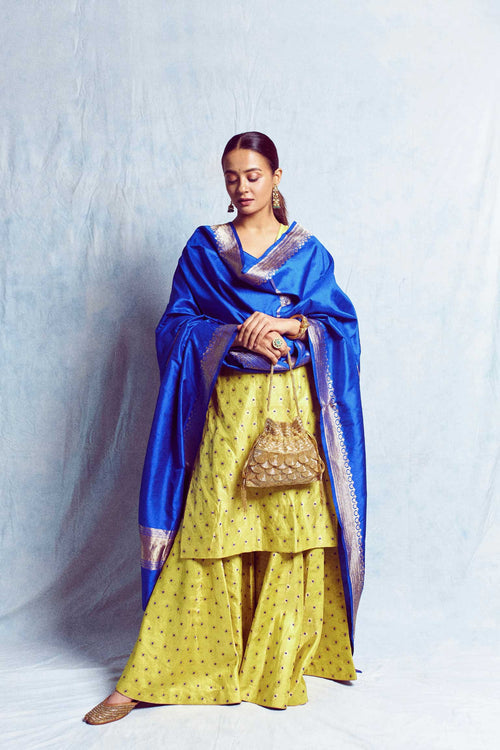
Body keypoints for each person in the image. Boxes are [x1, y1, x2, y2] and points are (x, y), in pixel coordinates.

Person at [83, 131, 366, 724]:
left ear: (278, 177)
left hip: (288, 406)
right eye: (232, 178)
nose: (242, 188)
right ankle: (154, 673)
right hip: (228, 403)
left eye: (253, 176)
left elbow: (337, 325)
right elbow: (176, 323)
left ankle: (276, 662)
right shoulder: (205, 249)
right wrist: (235, 332)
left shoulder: (309, 253)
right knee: (211, 526)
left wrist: (284, 327)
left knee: (289, 529)